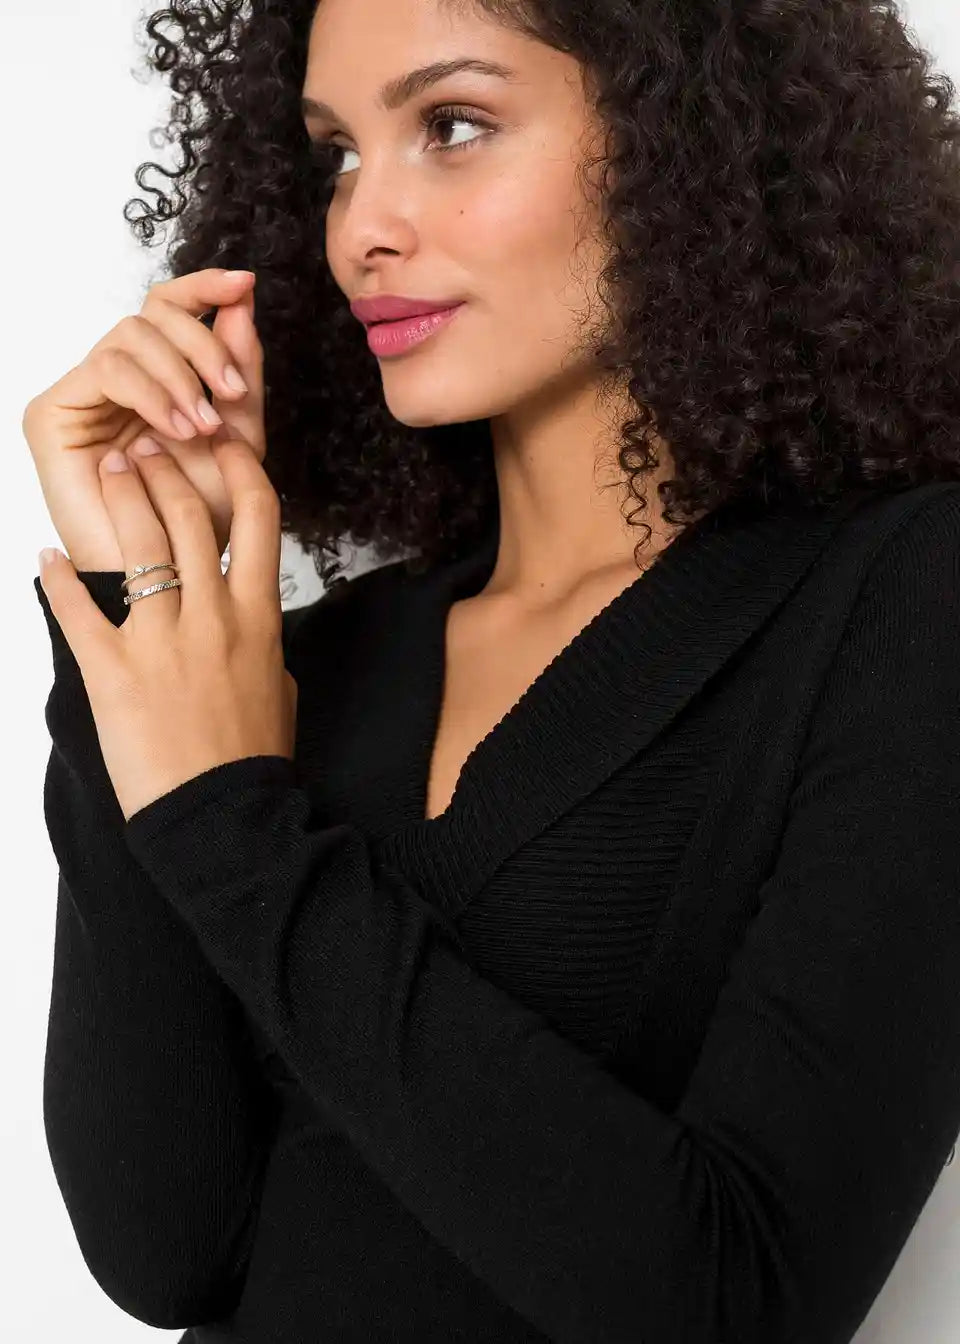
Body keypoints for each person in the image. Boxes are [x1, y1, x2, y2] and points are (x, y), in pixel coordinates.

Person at [26, 0, 960, 1340]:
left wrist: (232, 821)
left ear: (687, 134)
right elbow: (162, 1247)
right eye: (338, 155)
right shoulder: (307, 667)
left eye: (453, 125)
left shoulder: (899, 597)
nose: (361, 226)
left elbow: (739, 1298)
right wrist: (140, 599)